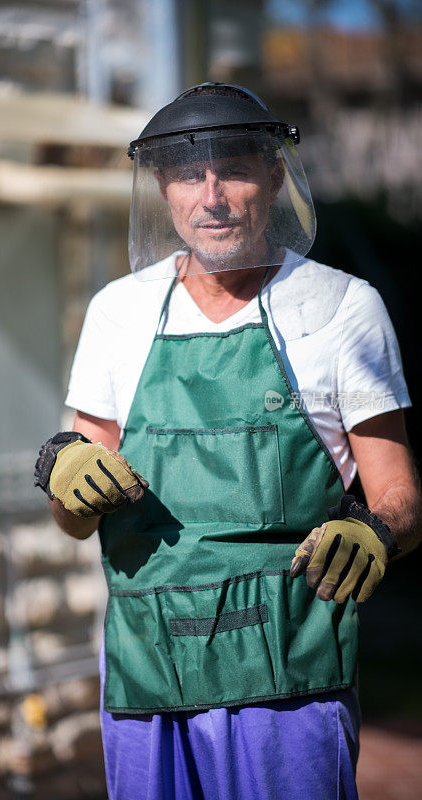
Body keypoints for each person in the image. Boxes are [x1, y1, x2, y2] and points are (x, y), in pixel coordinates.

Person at [34, 83, 421, 800]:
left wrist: (374, 529)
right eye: (187, 174)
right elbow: (72, 518)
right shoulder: (117, 312)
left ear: (274, 176)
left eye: (233, 169)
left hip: (290, 677)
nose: (210, 196)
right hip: (149, 669)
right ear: (161, 186)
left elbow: (399, 493)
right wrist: (66, 470)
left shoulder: (341, 307)